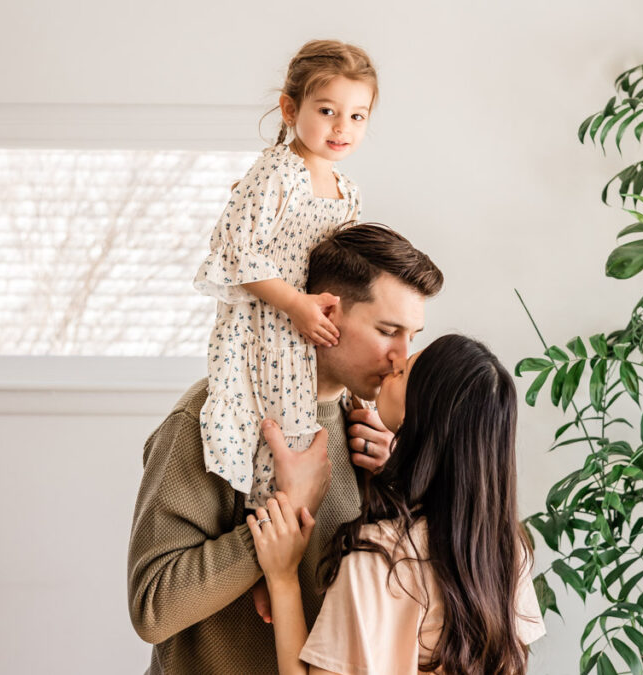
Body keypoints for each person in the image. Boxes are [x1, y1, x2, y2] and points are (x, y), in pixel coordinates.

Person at [128, 223, 444, 674]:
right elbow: (153, 608)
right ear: (327, 314)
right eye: (388, 331)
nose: (402, 356)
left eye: (412, 336)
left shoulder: (373, 433)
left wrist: (399, 484)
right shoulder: (215, 416)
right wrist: (287, 511)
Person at [249, 334, 546, 674]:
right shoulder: (507, 548)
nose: (395, 360)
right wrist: (405, 461)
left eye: (403, 372)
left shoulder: (378, 560)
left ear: (412, 419)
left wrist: (283, 578)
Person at [191, 39, 379, 508]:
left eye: (357, 116)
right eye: (328, 111)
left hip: (311, 329)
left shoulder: (348, 191)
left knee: (318, 429)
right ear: (291, 109)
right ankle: (268, 526)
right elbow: (234, 251)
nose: (342, 127)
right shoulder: (278, 172)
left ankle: (305, 526)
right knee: (273, 434)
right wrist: (295, 303)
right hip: (268, 324)